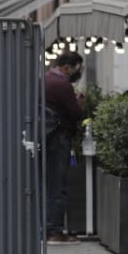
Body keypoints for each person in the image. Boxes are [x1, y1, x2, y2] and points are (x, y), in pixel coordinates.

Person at [43, 51, 84, 242]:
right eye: (77, 68)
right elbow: (75, 113)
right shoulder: (62, 84)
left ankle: (46, 226)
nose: (78, 72)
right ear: (67, 67)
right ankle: (55, 230)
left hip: (47, 137)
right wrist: (79, 102)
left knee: (48, 183)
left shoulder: (46, 78)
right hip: (59, 138)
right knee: (58, 184)